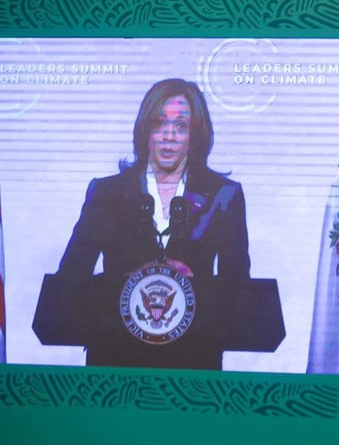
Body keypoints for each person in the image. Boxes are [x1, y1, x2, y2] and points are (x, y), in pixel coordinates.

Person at [55, 78, 250, 368]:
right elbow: (69, 280)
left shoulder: (224, 195)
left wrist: (192, 282)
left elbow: (238, 287)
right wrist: (133, 280)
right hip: (116, 360)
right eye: (160, 124)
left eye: (181, 126)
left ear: (195, 135)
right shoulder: (107, 193)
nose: (169, 136)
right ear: (146, 129)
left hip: (193, 362)